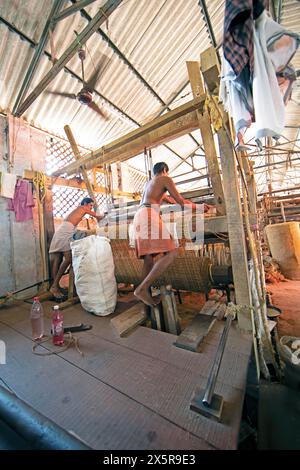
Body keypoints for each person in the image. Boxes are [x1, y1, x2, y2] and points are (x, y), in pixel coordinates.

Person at [133, 162, 210, 306]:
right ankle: (142, 290)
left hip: (139, 215)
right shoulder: (164, 179)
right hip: (149, 214)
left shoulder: (149, 184)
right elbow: (182, 203)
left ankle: (144, 297)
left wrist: (191, 204)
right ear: (164, 170)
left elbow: (174, 200)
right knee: (172, 252)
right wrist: (200, 208)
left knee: (148, 258)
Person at [49, 197, 103, 298]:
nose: (91, 208)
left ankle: (55, 286)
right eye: (91, 205)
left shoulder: (78, 210)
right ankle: (54, 286)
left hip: (64, 231)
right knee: (68, 258)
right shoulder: (82, 208)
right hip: (65, 232)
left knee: (58, 259)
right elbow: (98, 217)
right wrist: (109, 215)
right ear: (86, 203)